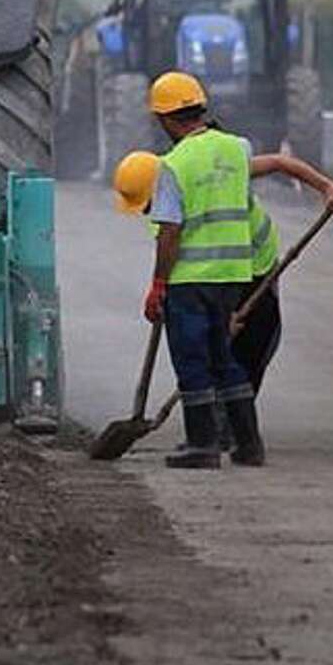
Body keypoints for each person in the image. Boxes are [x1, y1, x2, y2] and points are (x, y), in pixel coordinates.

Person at [111, 146, 333, 417]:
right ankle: (221, 420)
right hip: (215, 274)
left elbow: (279, 162)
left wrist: (327, 187)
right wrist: (161, 289)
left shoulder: (214, 174)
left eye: (149, 204)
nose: (150, 212)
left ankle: (237, 427)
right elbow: (176, 258)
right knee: (210, 346)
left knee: (251, 343)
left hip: (256, 266)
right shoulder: (165, 217)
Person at [136, 70, 262, 468]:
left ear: (167, 119)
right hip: (233, 275)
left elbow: (170, 231)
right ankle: (249, 445)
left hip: (191, 280)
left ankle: (203, 445)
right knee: (225, 357)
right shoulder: (239, 148)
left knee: (193, 360)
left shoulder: (172, 165)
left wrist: (158, 284)